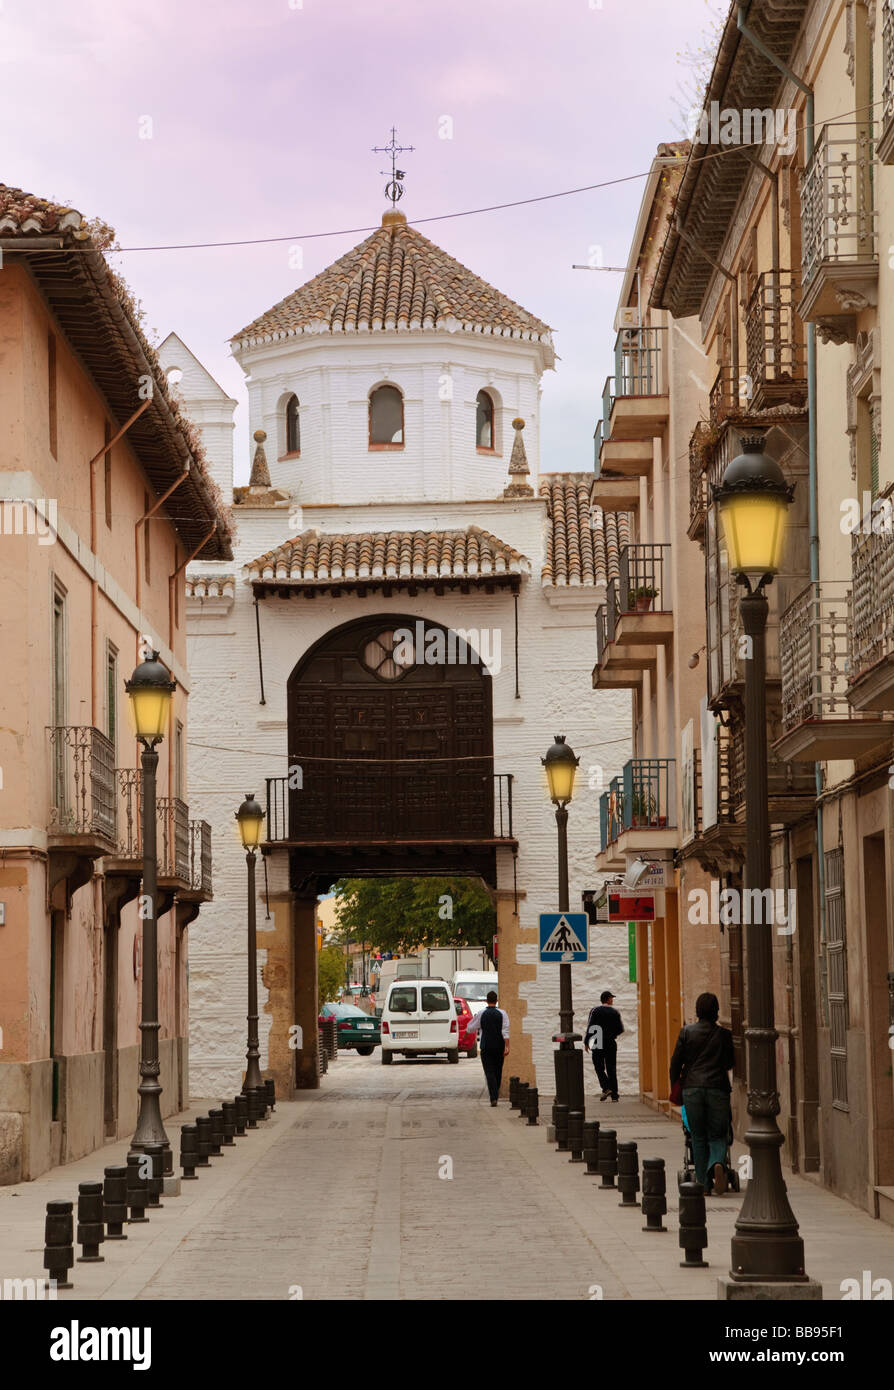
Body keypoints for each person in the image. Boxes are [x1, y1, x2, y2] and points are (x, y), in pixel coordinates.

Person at [669, 992, 735, 1193]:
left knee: (697, 1136)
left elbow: (675, 1064)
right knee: (717, 1134)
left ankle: (703, 1183)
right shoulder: (724, 1035)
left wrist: (675, 1085)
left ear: (697, 1010)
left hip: (692, 1090)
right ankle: (717, 1164)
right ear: (716, 1011)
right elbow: (730, 1063)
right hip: (717, 1089)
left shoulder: (686, 1032)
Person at [466, 990, 509, 1106]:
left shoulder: (481, 1013)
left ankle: (493, 1097)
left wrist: (470, 1030)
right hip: (499, 1046)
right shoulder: (503, 1014)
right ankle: (496, 1094)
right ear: (497, 1000)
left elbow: (470, 1028)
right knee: (498, 1070)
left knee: (489, 1071)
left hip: (486, 1046)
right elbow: (505, 1031)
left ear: (486, 1000)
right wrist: (507, 1046)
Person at [584, 990, 624, 1102]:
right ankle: (614, 1095)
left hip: (598, 1041)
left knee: (599, 1067)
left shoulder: (595, 1011)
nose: (612, 1000)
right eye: (611, 998)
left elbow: (591, 1026)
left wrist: (587, 1042)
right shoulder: (615, 1012)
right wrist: (611, 1035)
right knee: (611, 1068)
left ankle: (606, 1088)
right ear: (607, 999)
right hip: (611, 1042)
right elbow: (620, 1029)